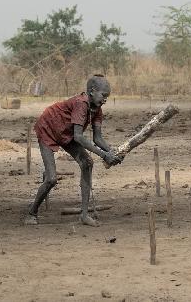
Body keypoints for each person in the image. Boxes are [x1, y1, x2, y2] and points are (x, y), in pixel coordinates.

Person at [25, 74, 122, 227]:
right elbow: (78, 137)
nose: (105, 100)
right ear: (92, 91)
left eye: (107, 97)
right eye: (103, 95)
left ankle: (84, 215)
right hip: (48, 128)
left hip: (66, 134)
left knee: (87, 163)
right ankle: (32, 212)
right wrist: (104, 155)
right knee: (51, 179)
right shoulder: (80, 104)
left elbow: (98, 138)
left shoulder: (97, 110)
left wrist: (113, 153)